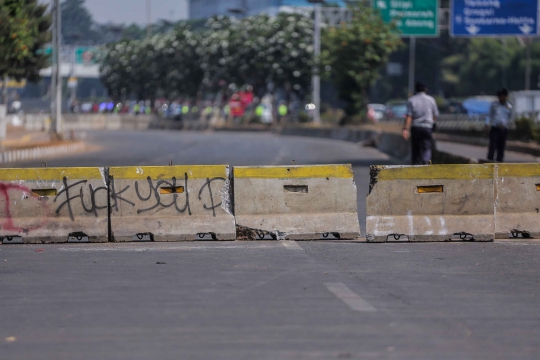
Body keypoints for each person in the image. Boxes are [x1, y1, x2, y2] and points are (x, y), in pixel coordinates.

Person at [402, 82, 439, 165]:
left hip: (416, 128)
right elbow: (435, 114)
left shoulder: (411, 100)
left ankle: (416, 166)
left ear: (416, 90)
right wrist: (433, 122)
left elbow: (409, 116)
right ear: (425, 89)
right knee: (427, 147)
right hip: (427, 127)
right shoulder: (431, 100)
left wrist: (405, 129)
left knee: (416, 149)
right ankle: (426, 162)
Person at [486, 88, 512, 162]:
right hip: (495, 128)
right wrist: (487, 123)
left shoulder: (509, 107)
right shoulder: (494, 105)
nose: (501, 98)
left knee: (501, 147)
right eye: (500, 96)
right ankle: (489, 162)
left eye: (503, 96)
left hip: (504, 128)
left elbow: (510, 117)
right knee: (493, 146)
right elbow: (489, 115)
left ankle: (499, 162)